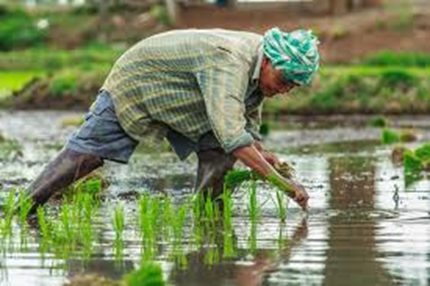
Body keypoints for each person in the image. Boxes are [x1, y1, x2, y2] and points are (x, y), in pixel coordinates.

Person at [24, 27, 320, 213]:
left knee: (218, 153)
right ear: (269, 61)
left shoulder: (258, 74)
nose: (284, 89)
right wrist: (284, 185)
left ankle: (208, 220)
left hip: (186, 97)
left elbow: (247, 136)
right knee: (89, 153)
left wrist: (276, 164)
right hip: (138, 80)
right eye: (284, 80)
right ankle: (25, 207)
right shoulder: (230, 62)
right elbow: (234, 138)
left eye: (292, 87)